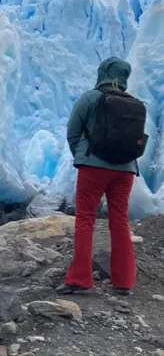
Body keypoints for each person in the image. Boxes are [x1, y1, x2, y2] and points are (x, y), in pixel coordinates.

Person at [57, 58, 141, 296]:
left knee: (85, 220)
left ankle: (80, 278)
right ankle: (123, 281)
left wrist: (83, 156)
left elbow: (73, 131)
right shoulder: (133, 103)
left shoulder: (90, 98)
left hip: (93, 168)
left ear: (103, 72)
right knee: (120, 221)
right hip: (125, 170)